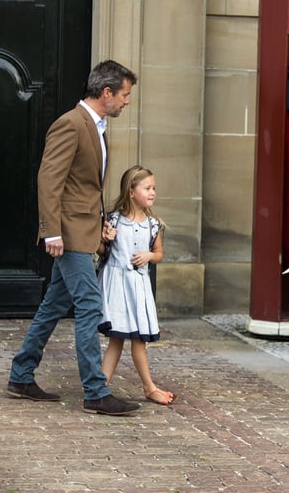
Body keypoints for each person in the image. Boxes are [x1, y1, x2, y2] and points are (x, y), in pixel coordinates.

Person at [7, 60, 141, 415]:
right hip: (67, 235)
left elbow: (85, 188)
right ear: (106, 92)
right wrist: (51, 231)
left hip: (83, 231)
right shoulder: (71, 124)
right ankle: (95, 392)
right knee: (89, 306)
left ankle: (21, 375)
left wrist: (100, 227)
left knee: (53, 306)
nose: (127, 102)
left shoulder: (97, 127)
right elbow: (50, 180)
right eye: (125, 95)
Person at [97, 165, 175, 406]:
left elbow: (159, 253)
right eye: (147, 188)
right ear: (131, 192)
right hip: (117, 286)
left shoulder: (153, 224)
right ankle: (101, 386)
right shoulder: (113, 220)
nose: (152, 192)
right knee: (116, 339)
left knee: (139, 340)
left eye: (154, 188)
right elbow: (101, 252)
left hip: (138, 287)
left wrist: (149, 257)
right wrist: (103, 238)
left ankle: (149, 387)